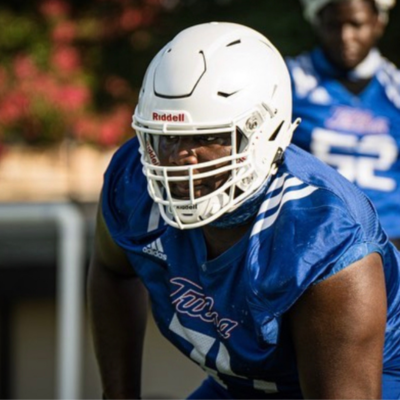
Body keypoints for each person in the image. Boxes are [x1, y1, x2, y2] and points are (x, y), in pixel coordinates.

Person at [88, 21, 400, 399]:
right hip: (242, 384)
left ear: (266, 134)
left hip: (368, 377)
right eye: (167, 138)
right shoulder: (133, 182)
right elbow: (111, 269)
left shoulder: (325, 236)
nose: (182, 159)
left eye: (210, 137)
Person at [287, 0, 400, 248]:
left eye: (356, 24)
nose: (345, 36)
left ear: (378, 23)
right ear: (318, 24)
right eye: (334, 25)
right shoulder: (289, 82)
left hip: (389, 240)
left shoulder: (395, 91)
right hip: (313, 239)